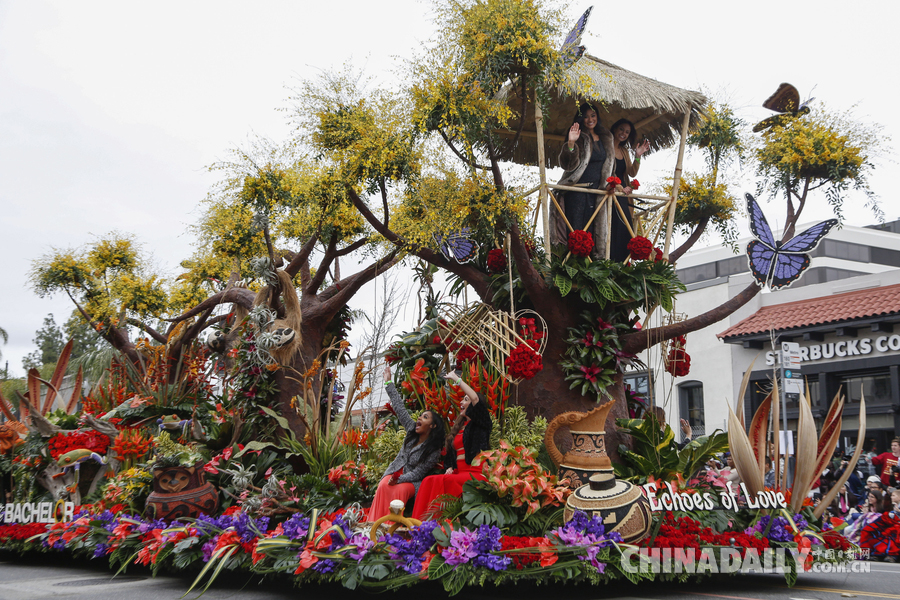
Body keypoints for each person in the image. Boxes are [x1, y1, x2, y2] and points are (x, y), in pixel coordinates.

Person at [368, 364, 445, 521]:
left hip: (411, 481)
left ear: (432, 425)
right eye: (420, 416)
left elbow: (418, 473)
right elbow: (399, 407)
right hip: (394, 472)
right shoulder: (411, 430)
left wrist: (399, 479)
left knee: (399, 491)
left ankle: (390, 526)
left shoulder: (434, 449)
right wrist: (388, 382)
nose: (419, 418)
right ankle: (374, 523)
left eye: (425, 417)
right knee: (383, 485)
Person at [411, 371, 493, 519]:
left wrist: (456, 379)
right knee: (429, 480)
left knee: (443, 481)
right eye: (462, 399)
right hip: (459, 473)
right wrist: (449, 467)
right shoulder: (460, 428)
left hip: (475, 474)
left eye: (465, 400)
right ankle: (419, 523)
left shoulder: (482, 423)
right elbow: (451, 456)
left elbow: (475, 397)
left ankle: (435, 524)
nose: (461, 402)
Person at [552, 103, 614, 258]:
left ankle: (592, 269)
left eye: (593, 115)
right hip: (577, 191)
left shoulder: (606, 138)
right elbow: (568, 165)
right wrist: (571, 143)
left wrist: (612, 184)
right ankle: (571, 265)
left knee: (594, 231)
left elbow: (610, 166)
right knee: (576, 230)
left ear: (597, 117)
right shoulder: (578, 135)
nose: (590, 119)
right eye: (585, 116)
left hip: (597, 193)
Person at [608, 119, 651, 261]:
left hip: (623, 195)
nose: (623, 134)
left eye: (627, 132)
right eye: (621, 129)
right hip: (610, 192)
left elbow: (632, 172)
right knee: (612, 227)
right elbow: (606, 171)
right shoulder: (605, 147)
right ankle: (611, 261)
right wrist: (620, 187)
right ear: (614, 129)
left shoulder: (624, 151)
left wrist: (638, 156)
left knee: (624, 229)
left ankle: (624, 263)